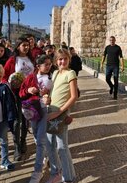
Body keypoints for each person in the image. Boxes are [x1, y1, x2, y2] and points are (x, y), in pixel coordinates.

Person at [19, 54, 54, 183]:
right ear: (38, 66)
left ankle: (37, 171)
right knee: (36, 138)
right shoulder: (31, 77)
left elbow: (55, 94)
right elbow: (21, 92)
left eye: (50, 64)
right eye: (46, 64)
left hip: (45, 111)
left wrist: (48, 97)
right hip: (33, 111)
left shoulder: (52, 78)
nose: (49, 66)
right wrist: (29, 90)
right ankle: (46, 157)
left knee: (40, 142)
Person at [46, 48, 78, 183]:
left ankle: (69, 178)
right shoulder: (54, 73)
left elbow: (73, 96)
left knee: (62, 147)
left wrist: (60, 112)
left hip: (60, 114)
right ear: (55, 61)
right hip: (49, 112)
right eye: (60, 59)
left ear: (69, 59)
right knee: (50, 145)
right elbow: (52, 91)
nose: (62, 61)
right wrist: (46, 97)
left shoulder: (71, 73)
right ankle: (56, 172)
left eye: (65, 58)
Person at [3, 37, 35, 161]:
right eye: (23, 45)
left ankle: (23, 141)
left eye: (27, 45)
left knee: (26, 119)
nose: (26, 47)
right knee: (17, 120)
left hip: (29, 93)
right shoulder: (12, 60)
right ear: (18, 46)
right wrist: (10, 83)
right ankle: (16, 145)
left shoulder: (31, 59)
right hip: (16, 94)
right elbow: (4, 76)